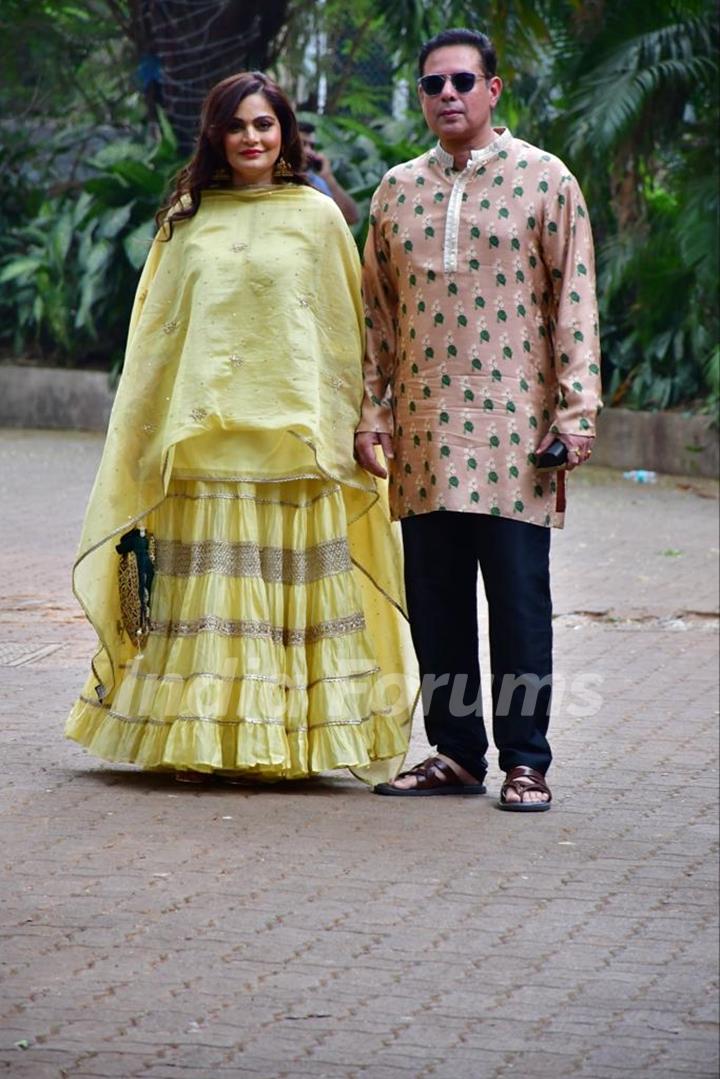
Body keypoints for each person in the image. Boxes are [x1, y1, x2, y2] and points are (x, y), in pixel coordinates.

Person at [65, 71, 414, 785]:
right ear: (216, 136)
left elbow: (343, 334)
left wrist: (355, 421)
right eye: (238, 126)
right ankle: (197, 739)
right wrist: (142, 434)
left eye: (264, 124)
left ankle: (285, 744)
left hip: (293, 445)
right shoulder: (187, 222)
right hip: (204, 444)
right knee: (210, 600)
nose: (252, 138)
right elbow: (156, 338)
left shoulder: (317, 220)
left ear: (285, 133)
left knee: (284, 600)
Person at [354, 29, 602, 810]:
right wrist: (372, 412)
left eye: (464, 80)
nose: (449, 94)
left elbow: (575, 300)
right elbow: (376, 317)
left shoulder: (545, 179)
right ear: (423, 97)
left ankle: (526, 759)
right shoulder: (396, 189)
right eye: (434, 84)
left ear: (495, 89)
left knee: (519, 601)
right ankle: (456, 752)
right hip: (424, 432)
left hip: (516, 436)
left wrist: (578, 410)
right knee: (437, 601)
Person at [298, 121, 360, 225]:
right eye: (302, 144)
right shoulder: (274, 176)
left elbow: (352, 217)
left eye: (312, 146)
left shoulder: (316, 180)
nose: (309, 152)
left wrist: (328, 178)